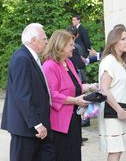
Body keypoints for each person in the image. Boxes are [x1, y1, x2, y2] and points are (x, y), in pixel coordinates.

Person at [1, 23, 55, 161]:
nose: (46, 41)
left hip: (36, 127)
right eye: (43, 38)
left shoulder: (30, 57)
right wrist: (37, 124)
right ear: (33, 40)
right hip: (26, 128)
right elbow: (22, 95)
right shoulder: (22, 58)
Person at [42, 30, 98, 161]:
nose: (73, 47)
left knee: (74, 154)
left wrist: (91, 86)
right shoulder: (49, 65)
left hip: (74, 118)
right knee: (64, 155)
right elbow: (52, 95)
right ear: (60, 46)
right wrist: (75, 101)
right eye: (70, 45)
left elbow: (75, 87)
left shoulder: (69, 63)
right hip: (60, 122)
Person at [99, 24, 126, 161]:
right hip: (113, 112)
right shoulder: (109, 61)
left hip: (120, 112)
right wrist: (119, 110)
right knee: (115, 151)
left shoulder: (121, 61)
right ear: (114, 42)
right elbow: (104, 89)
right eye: (123, 39)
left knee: (118, 151)